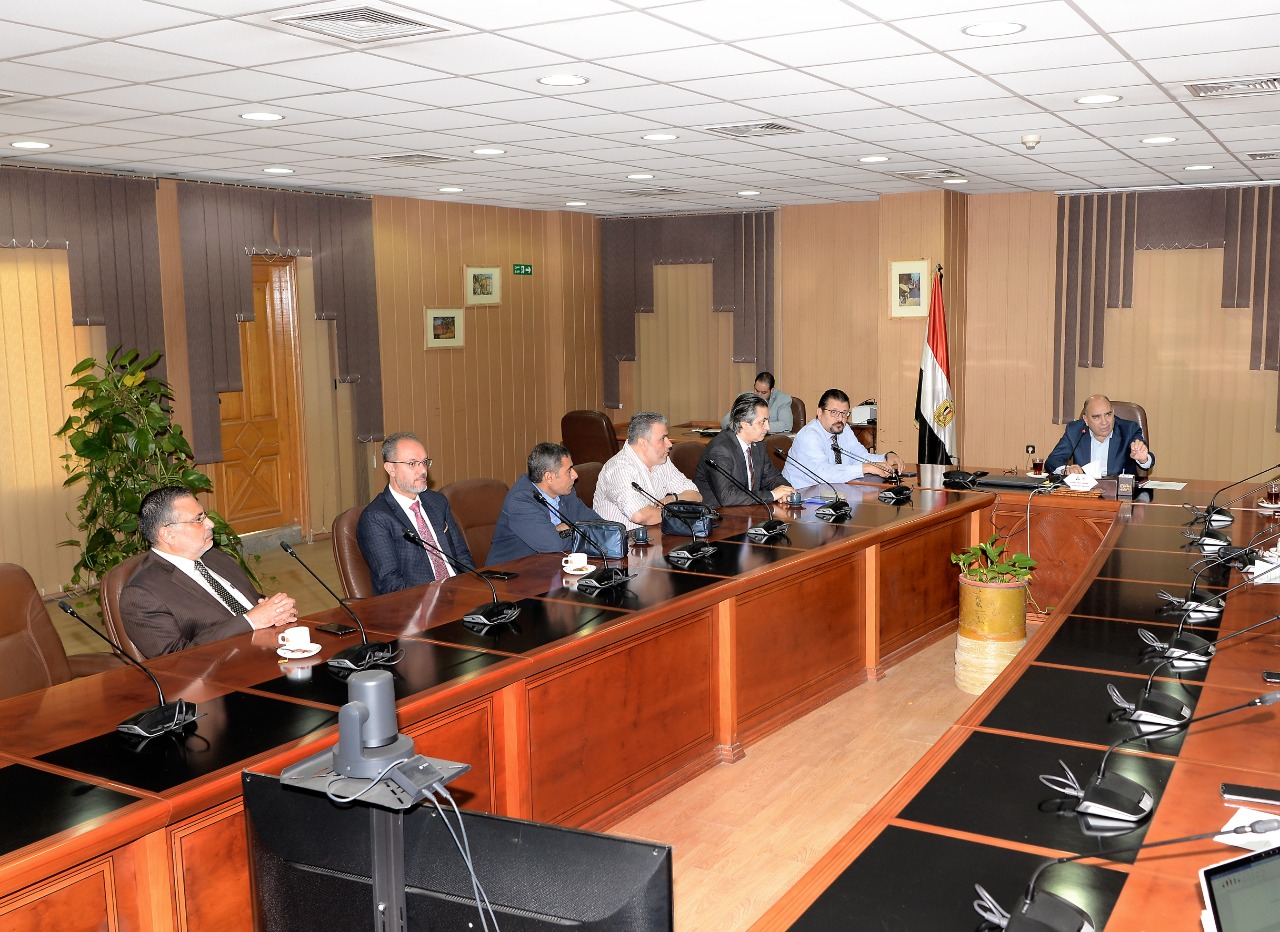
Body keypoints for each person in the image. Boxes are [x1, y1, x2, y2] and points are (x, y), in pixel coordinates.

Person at [120, 486, 298, 658]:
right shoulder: (141, 594)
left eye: (205, 515)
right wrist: (250, 621)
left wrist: (276, 611)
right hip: (225, 671)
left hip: (270, 649)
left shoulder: (214, 556)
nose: (210, 524)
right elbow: (174, 659)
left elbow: (250, 602)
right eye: (198, 520)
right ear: (168, 534)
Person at [357, 432, 474, 595]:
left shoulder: (437, 502)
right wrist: (438, 598)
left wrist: (473, 588)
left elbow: (462, 556)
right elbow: (391, 584)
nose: (423, 470)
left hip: (460, 593)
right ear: (391, 468)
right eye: (412, 464)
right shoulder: (376, 518)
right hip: (418, 602)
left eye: (424, 462)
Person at [488, 442, 604, 563]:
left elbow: (600, 525)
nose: (575, 475)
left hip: (549, 565)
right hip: (510, 570)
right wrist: (575, 530)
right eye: (569, 470)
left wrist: (566, 531)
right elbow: (554, 544)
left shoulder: (566, 493)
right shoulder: (520, 500)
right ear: (549, 477)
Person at [593, 412, 701, 530]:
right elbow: (639, 515)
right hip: (624, 539)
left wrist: (673, 498)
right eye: (662, 438)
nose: (669, 444)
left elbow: (695, 496)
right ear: (643, 443)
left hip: (655, 534)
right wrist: (676, 514)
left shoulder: (661, 460)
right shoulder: (619, 469)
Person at [782, 389, 904, 488]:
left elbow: (860, 456)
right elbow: (824, 474)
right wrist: (866, 468)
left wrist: (886, 457)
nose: (840, 419)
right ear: (819, 412)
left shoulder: (844, 429)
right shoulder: (809, 436)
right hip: (800, 498)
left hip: (830, 492)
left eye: (844, 413)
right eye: (834, 412)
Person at [697, 393, 796, 507]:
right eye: (762, 422)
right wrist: (772, 495)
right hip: (719, 513)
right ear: (744, 423)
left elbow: (772, 477)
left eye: (768, 421)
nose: (768, 427)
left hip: (748, 509)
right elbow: (727, 496)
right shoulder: (720, 450)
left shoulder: (758, 444)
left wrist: (786, 491)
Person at [1046, 395, 1153, 476]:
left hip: (1118, 493)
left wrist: (1143, 459)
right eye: (1096, 417)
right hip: (1085, 492)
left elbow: (1146, 455)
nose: (1104, 422)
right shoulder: (1075, 430)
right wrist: (1066, 470)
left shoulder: (1129, 429)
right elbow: (1053, 460)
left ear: (1113, 413)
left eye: (1108, 414)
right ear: (1086, 419)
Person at [719, 371, 793, 433]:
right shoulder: (744, 398)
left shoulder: (782, 399)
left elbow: (786, 425)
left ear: (772, 390)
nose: (759, 395)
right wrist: (743, 427)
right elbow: (725, 421)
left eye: (764, 392)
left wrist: (757, 427)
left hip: (769, 440)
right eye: (757, 390)